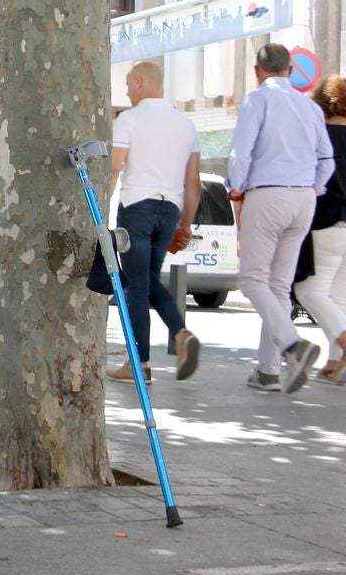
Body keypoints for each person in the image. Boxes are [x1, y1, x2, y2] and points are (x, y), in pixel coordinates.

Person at [227, 43, 335, 393]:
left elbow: (240, 152)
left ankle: (293, 345)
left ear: (258, 71)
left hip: (268, 193)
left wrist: (236, 186)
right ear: (290, 69)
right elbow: (327, 160)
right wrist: (314, 188)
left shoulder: (258, 100)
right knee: (278, 286)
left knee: (253, 282)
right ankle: (268, 371)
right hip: (304, 198)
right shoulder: (309, 106)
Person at [105, 61, 203, 384]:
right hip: (169, 211)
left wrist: (97, 211)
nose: (126, 92)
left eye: (127, 85)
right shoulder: (186, 126)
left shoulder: (128, 120)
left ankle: (140, 364)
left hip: (136, 208)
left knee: (135, 286)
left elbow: (114, 169)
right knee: (148, 280)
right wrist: (185, 224)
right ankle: (179, 332)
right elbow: (194, 182)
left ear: (139, 81)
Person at [292, 74, 346, 384]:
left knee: (309, 290)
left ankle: (342, 341)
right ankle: (335, 361)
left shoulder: (319, 134)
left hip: (327, 221)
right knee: (339, 296)